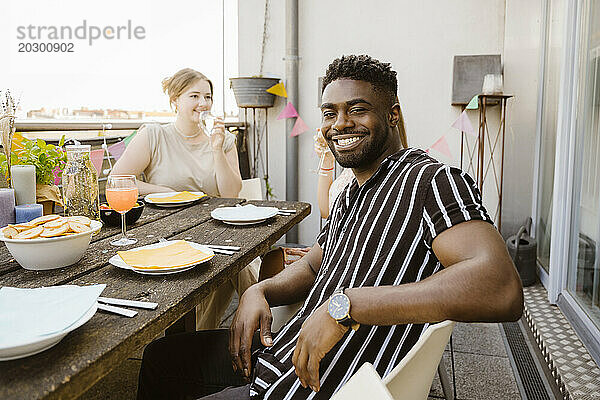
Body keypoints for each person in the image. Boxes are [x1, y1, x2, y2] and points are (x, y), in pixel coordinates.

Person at [137, 55, 524, 400]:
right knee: (160, 357)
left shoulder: (429, 180)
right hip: (281, 354)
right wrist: (260, 290)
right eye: (328, 113)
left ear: (392, 114)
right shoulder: (349, 191)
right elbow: (315, 265)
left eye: (357, 109)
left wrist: (346, 307)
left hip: (323, 382)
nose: (340, 123)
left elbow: (500, 286)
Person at [112, 68, 254, 330]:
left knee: (233, 260)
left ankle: (204, 335)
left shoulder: (224, 140)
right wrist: (162, 191)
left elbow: (231, 193)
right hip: (167, 230)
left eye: (208, 97)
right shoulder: (155, 135)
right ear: (175, 100)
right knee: (233, 263)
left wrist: (216, 148)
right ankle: (256, 322)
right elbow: (118, 180)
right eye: (194, 96)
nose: (203, 103)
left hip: (216, 228)